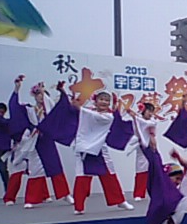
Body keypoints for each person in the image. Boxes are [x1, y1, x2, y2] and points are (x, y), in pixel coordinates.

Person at [41, 84, 134, 214]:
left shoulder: (108, 117)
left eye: (107, 100)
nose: (104, 102)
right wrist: (63, 92)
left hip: (100, 149)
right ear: (95, 100)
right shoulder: (86, 112)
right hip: (84, 149)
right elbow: (70, 111)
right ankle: (79, 206)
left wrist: (78, 107)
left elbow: (91, 115)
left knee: (109, 176)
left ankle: (120, 201)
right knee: (82, 177)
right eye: (101, 99)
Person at [7, 77, 74, 208]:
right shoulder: (29, 109)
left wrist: (60, 91)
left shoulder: (50, 110)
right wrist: (17, 88)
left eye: (42, 94)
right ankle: (31, 199)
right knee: (35, 169)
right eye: (37, 94)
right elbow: (14, 107)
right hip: (34, 140)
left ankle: (65, 194)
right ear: (34, 96)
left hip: (47, 139)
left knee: (55, 166)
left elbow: (63, 108)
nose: (40, 97)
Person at [130, 102, 157, 202]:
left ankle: (154, 191)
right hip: (141, 146)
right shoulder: (137, 120)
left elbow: (148, 126)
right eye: (149, 111)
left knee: (155, 169)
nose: (150, 114)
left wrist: (135, 117)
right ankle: (138, 193)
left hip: (151, 146)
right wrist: (135, 119)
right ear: (143, 111)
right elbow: (137, 130)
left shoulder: (152, 121)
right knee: (141, 170)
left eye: (152, 112)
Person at [0, 101, 11, 193]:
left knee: (3, 170)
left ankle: (8, 193)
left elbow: (2, 122)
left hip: (2, 149)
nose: (0, 114)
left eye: (1, 112)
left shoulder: (6, 122)